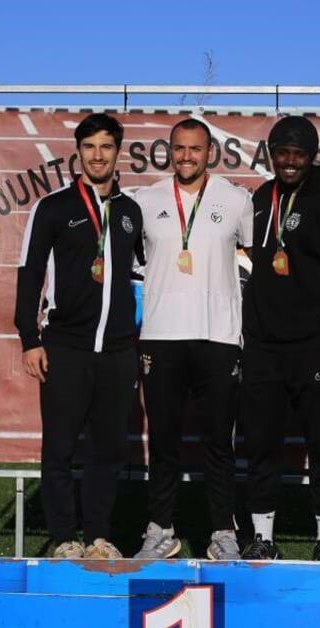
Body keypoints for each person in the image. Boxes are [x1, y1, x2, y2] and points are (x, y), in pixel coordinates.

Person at [240, 116, 320, 562]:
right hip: (263, 347)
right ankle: (262, 537)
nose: (290, 161)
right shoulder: (260, 199)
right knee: (261, 447)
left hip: (316, 347)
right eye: (283, 152)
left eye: (299, 154)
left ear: (312, 157)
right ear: (270, 154)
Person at [15, 113, 143, 561]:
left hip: (117, 351)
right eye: (89, 147)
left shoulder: (130, 212)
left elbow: (141, 276)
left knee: (108, 450)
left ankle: (98, 536)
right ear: (78, 153)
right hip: (66, 347)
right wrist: (29, 338)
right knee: (60, 448)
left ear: (117, 152)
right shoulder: (53, 208)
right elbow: (30, 273)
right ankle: (65, 537)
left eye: (106, 146)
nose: (98, 156)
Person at [130, 118, 254, 561]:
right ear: (169, 151)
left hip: (218, 337)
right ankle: (160, 530)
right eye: (179, 148)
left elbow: (255, 259)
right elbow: (130, 260)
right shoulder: (145, 201)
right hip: (161, 336)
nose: (186, 156)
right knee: (163, 442)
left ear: (210, 153)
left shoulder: (236, 200)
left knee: (218, 442)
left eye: (195, 149)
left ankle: (223, 533)